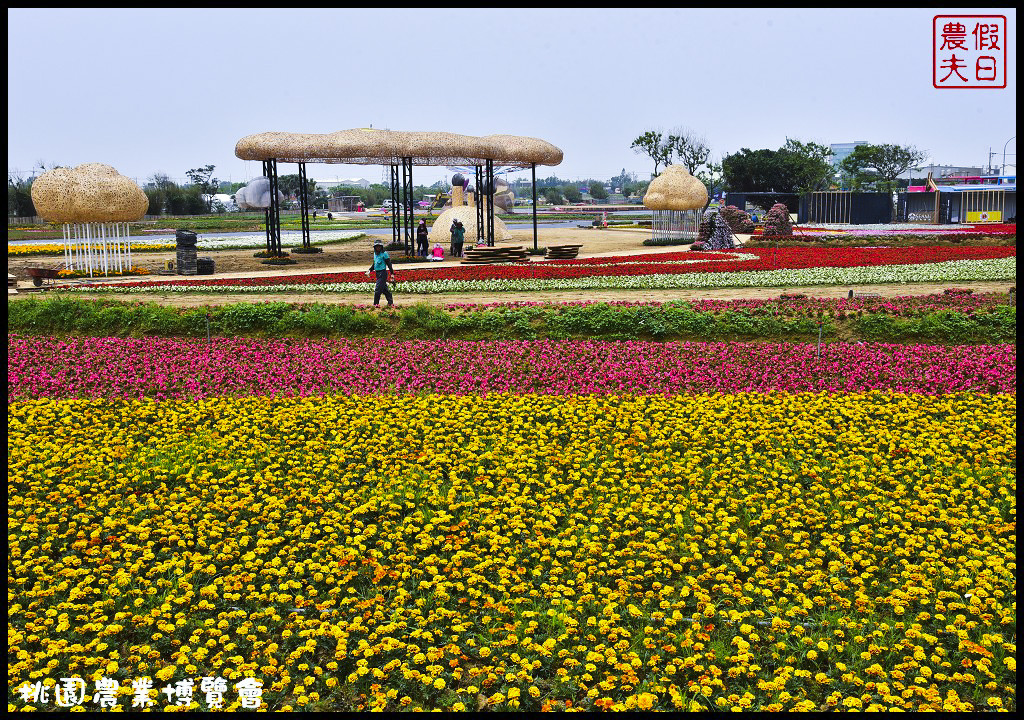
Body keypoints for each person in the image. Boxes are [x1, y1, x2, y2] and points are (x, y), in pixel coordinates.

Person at [365, 240, 395, 308]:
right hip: (377, 273)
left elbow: (389, 264)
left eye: (379, 246)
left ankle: (376, 304)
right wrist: (369, 270)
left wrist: (392, 273)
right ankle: (390, 302)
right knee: (384, 289)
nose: (378, 248)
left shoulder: (384, 254)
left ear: (381, 247)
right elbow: (374, 264)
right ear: (374, 247)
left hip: (383, 273)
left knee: (378, 289)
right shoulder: (375, 254)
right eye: (376, 247)